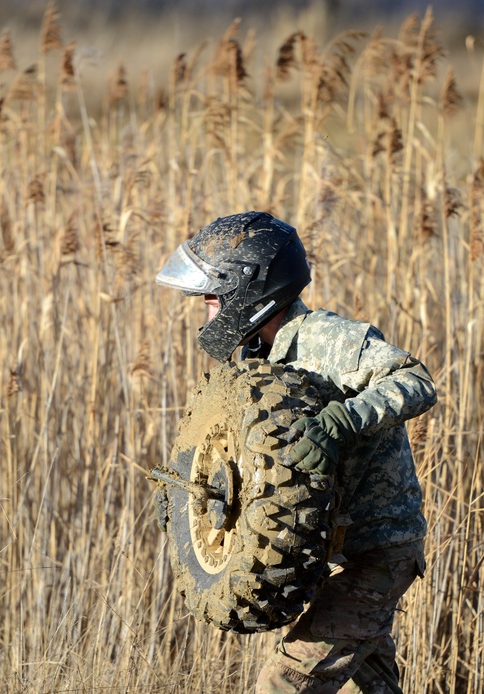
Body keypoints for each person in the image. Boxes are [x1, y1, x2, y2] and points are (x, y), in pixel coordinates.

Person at [155, 211, 437, 693]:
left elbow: (416, 381)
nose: (205, 303)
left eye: (214, 295)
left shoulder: (327, 339)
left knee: (283, 684)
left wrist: (342, 421)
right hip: (334, 554)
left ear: (250, 290)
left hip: (378, 552)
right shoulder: (258, 364)